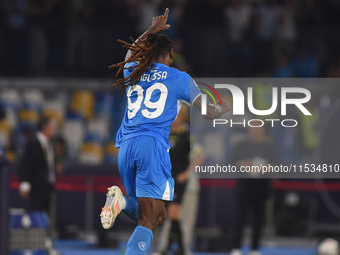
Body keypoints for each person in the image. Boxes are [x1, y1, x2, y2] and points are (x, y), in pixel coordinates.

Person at [99, 8, 230, 255]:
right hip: (153, 146)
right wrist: (219, 109)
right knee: (149, 219)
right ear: (171, 54)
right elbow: (206, 110)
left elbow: (129, 53)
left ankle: (122, 202)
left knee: (156, 215)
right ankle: (122, 204)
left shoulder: (134, 70)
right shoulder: (179, 77)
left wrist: (151, 30)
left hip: (126, 146)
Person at [229, 124, 279, 255]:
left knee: (259, 219)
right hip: (244, 186)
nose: (256, 130)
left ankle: (255, 248)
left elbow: (276, 166)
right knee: (240, 218)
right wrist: (242, 164)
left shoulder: (269, 147)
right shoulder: (241, 145)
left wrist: (265, 167)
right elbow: (231, 162)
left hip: (261, 186)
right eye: (253, 127)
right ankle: (236, 247)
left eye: (259, 127)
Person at [18, 117, 57, 213]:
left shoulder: (49, 144)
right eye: (53, 127)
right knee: (37, 211)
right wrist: (25, 183)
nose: (55, 129)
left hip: (47, 185)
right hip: (36, 185)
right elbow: (26, 164)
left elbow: (46, 163)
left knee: (46, 213)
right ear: (45, 127)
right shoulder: (33, 143)